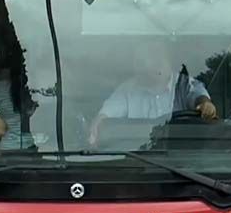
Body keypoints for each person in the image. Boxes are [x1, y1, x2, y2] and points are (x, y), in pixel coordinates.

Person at [88, 42, 218, 146]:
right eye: (143, 59)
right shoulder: (128, 89)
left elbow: (199, 97)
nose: (150, 63)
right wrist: (99, 122)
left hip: (181, 158)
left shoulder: (184, 84)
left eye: (157, 57)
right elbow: (107, 113)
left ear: (169, 60)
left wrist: (205, 104)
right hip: (139, 158)